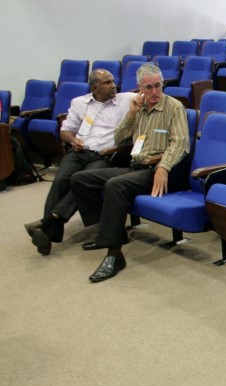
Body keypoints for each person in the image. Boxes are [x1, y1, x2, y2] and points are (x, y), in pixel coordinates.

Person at [70, 63, 189, 283]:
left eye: (158, 86)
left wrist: (163, 167)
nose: (154, 92)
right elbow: (120, 139)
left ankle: (114, 254)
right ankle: (105, 232)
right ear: (139, 88)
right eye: (148, 87)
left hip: (160, 171)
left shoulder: (174, 107)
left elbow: (180, 143)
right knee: (80, 179)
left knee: (115, 186)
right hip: (136, 166)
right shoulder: (138, 107)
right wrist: (132, 113)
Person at [23, 69, 134, 255]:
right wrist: (73, 140)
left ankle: (46, 226)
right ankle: (47, 231)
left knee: (80, 179)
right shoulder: (79, 103)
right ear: (94, 87)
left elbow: (147, 92)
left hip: (104, 155)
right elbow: (65, 131)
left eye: (113, 81)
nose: (113, 85)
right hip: (78, 152)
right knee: (60, 181)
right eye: (107, 83)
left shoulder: (125, 100)